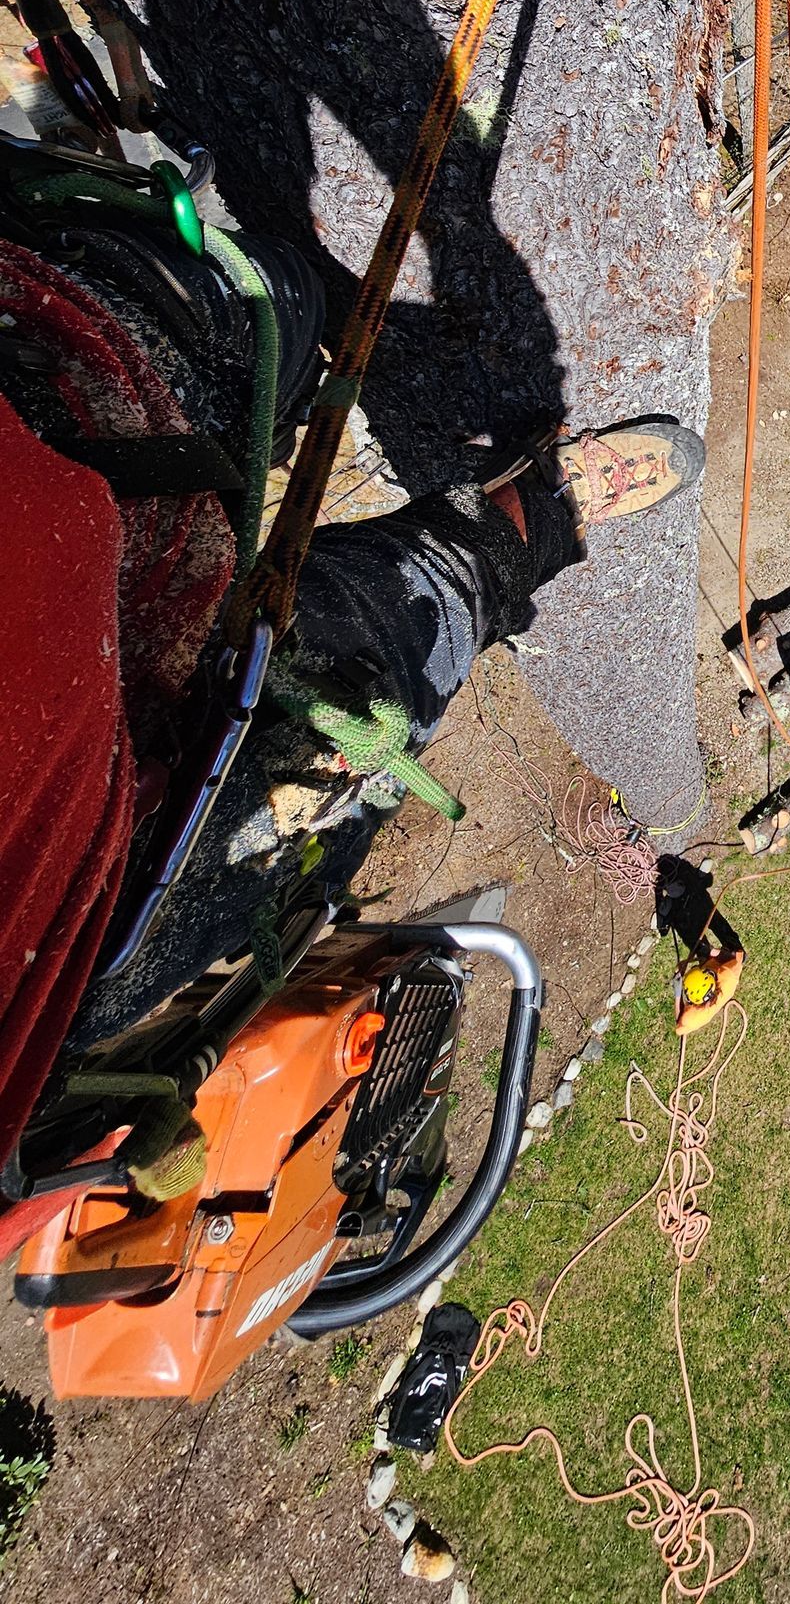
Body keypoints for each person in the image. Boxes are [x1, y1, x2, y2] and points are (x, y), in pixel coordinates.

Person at [0, 188, 701, 1179]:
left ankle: (278, 326)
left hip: (58, 400)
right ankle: (516, 522)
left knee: (266, 311)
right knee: (357, 708)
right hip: (78, 906)